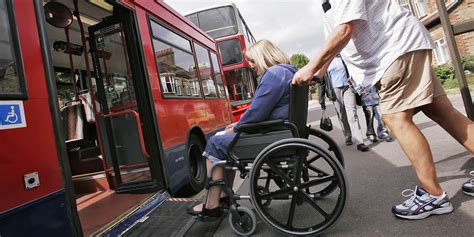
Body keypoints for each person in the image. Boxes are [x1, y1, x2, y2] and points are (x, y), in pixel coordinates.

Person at [293, 0, 474, 220]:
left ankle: (433, 195)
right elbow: (340, 35)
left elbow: (345, 29)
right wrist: (321, 69)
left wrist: (311, 66)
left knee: (396, 118)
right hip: (402, 47)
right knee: (442, 111)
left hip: (395, 51)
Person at [186, 39, 297, 221]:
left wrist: (237, 127)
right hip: (282, 133)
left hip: (271, 138)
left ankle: (212, 204)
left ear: (264, 57)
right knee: (223, 142)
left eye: (252, 61)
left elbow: (257, 113)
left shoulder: (273, 75)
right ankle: (222, 196)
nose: (251, 66)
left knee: (215, 143)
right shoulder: (288, 72)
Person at [327, 55, 369, 151]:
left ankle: (359, 141)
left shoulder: (344, 57)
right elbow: (323, 81)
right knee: (342, 114)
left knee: (352, 113)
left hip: (348, 87)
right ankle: (348, 135)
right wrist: (322, 100)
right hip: (335, 89)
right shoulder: (327, 61)